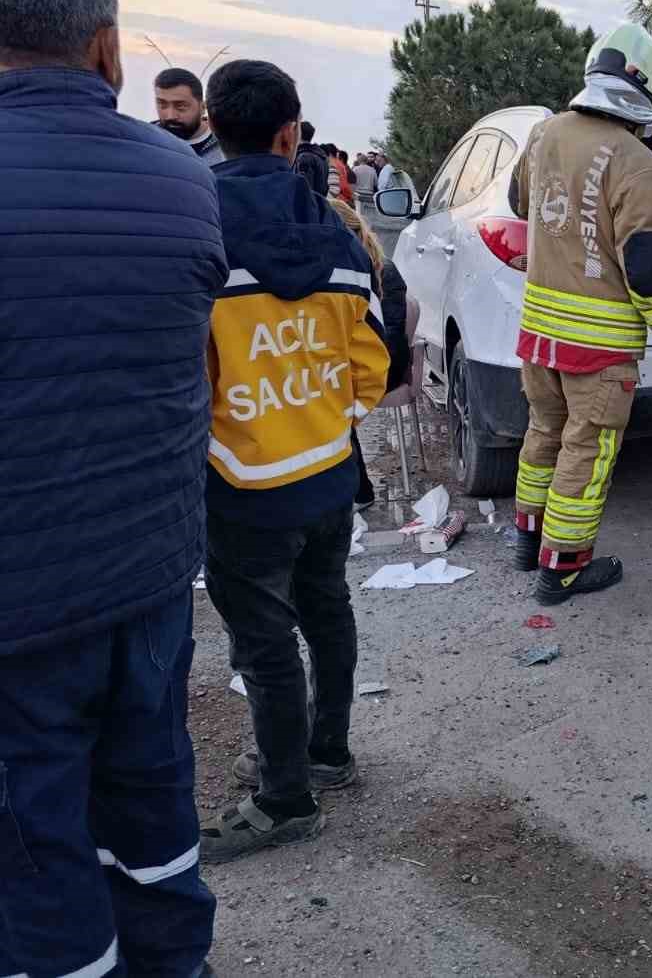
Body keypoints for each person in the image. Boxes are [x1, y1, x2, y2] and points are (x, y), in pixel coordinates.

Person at [0, 0, 223, 978]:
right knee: (150, 805)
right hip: (146, 580)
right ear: (105, 46)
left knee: (35, 858)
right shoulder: (182, 182)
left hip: (21, 608)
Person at [198, 59, 389, 862]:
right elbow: (375, 369)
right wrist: (319, 411)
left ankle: (284, 799)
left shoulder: (196, 239)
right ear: (290, 136)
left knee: (267, 643)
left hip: (241, 485)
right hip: (326, 471)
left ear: (211, 127)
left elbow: (183, 373)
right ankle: (328, 751)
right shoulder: (342, 243)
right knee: (327, 609)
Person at [509, 22, 652, 605]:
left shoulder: (542, 136)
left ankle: (528, 541)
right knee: (586, 451)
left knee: (544, 433)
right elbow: (645, 266)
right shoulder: (638, 163)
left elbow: (520, 203)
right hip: (601, 347)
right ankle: (562, 570)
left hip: (539, 336)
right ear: (648, 85)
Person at [329, 196, 410, 506]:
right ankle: (353, 490)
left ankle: (358, 491)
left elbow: (388, 342)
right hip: (370, 362)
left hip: (387, 367)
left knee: (326, 390)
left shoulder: (380, 270)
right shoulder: (357, 266)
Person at [153, 65, 226, 166]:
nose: (170, 116)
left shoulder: (226, 146)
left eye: (181, 106)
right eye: (162, 105)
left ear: (203, 107)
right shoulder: (144, 141)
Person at [293, 118, 330, 197]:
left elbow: (304, 191)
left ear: (298, 133)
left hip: (307, 207)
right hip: (319, 205)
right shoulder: (322, 156)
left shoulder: (304, 157)